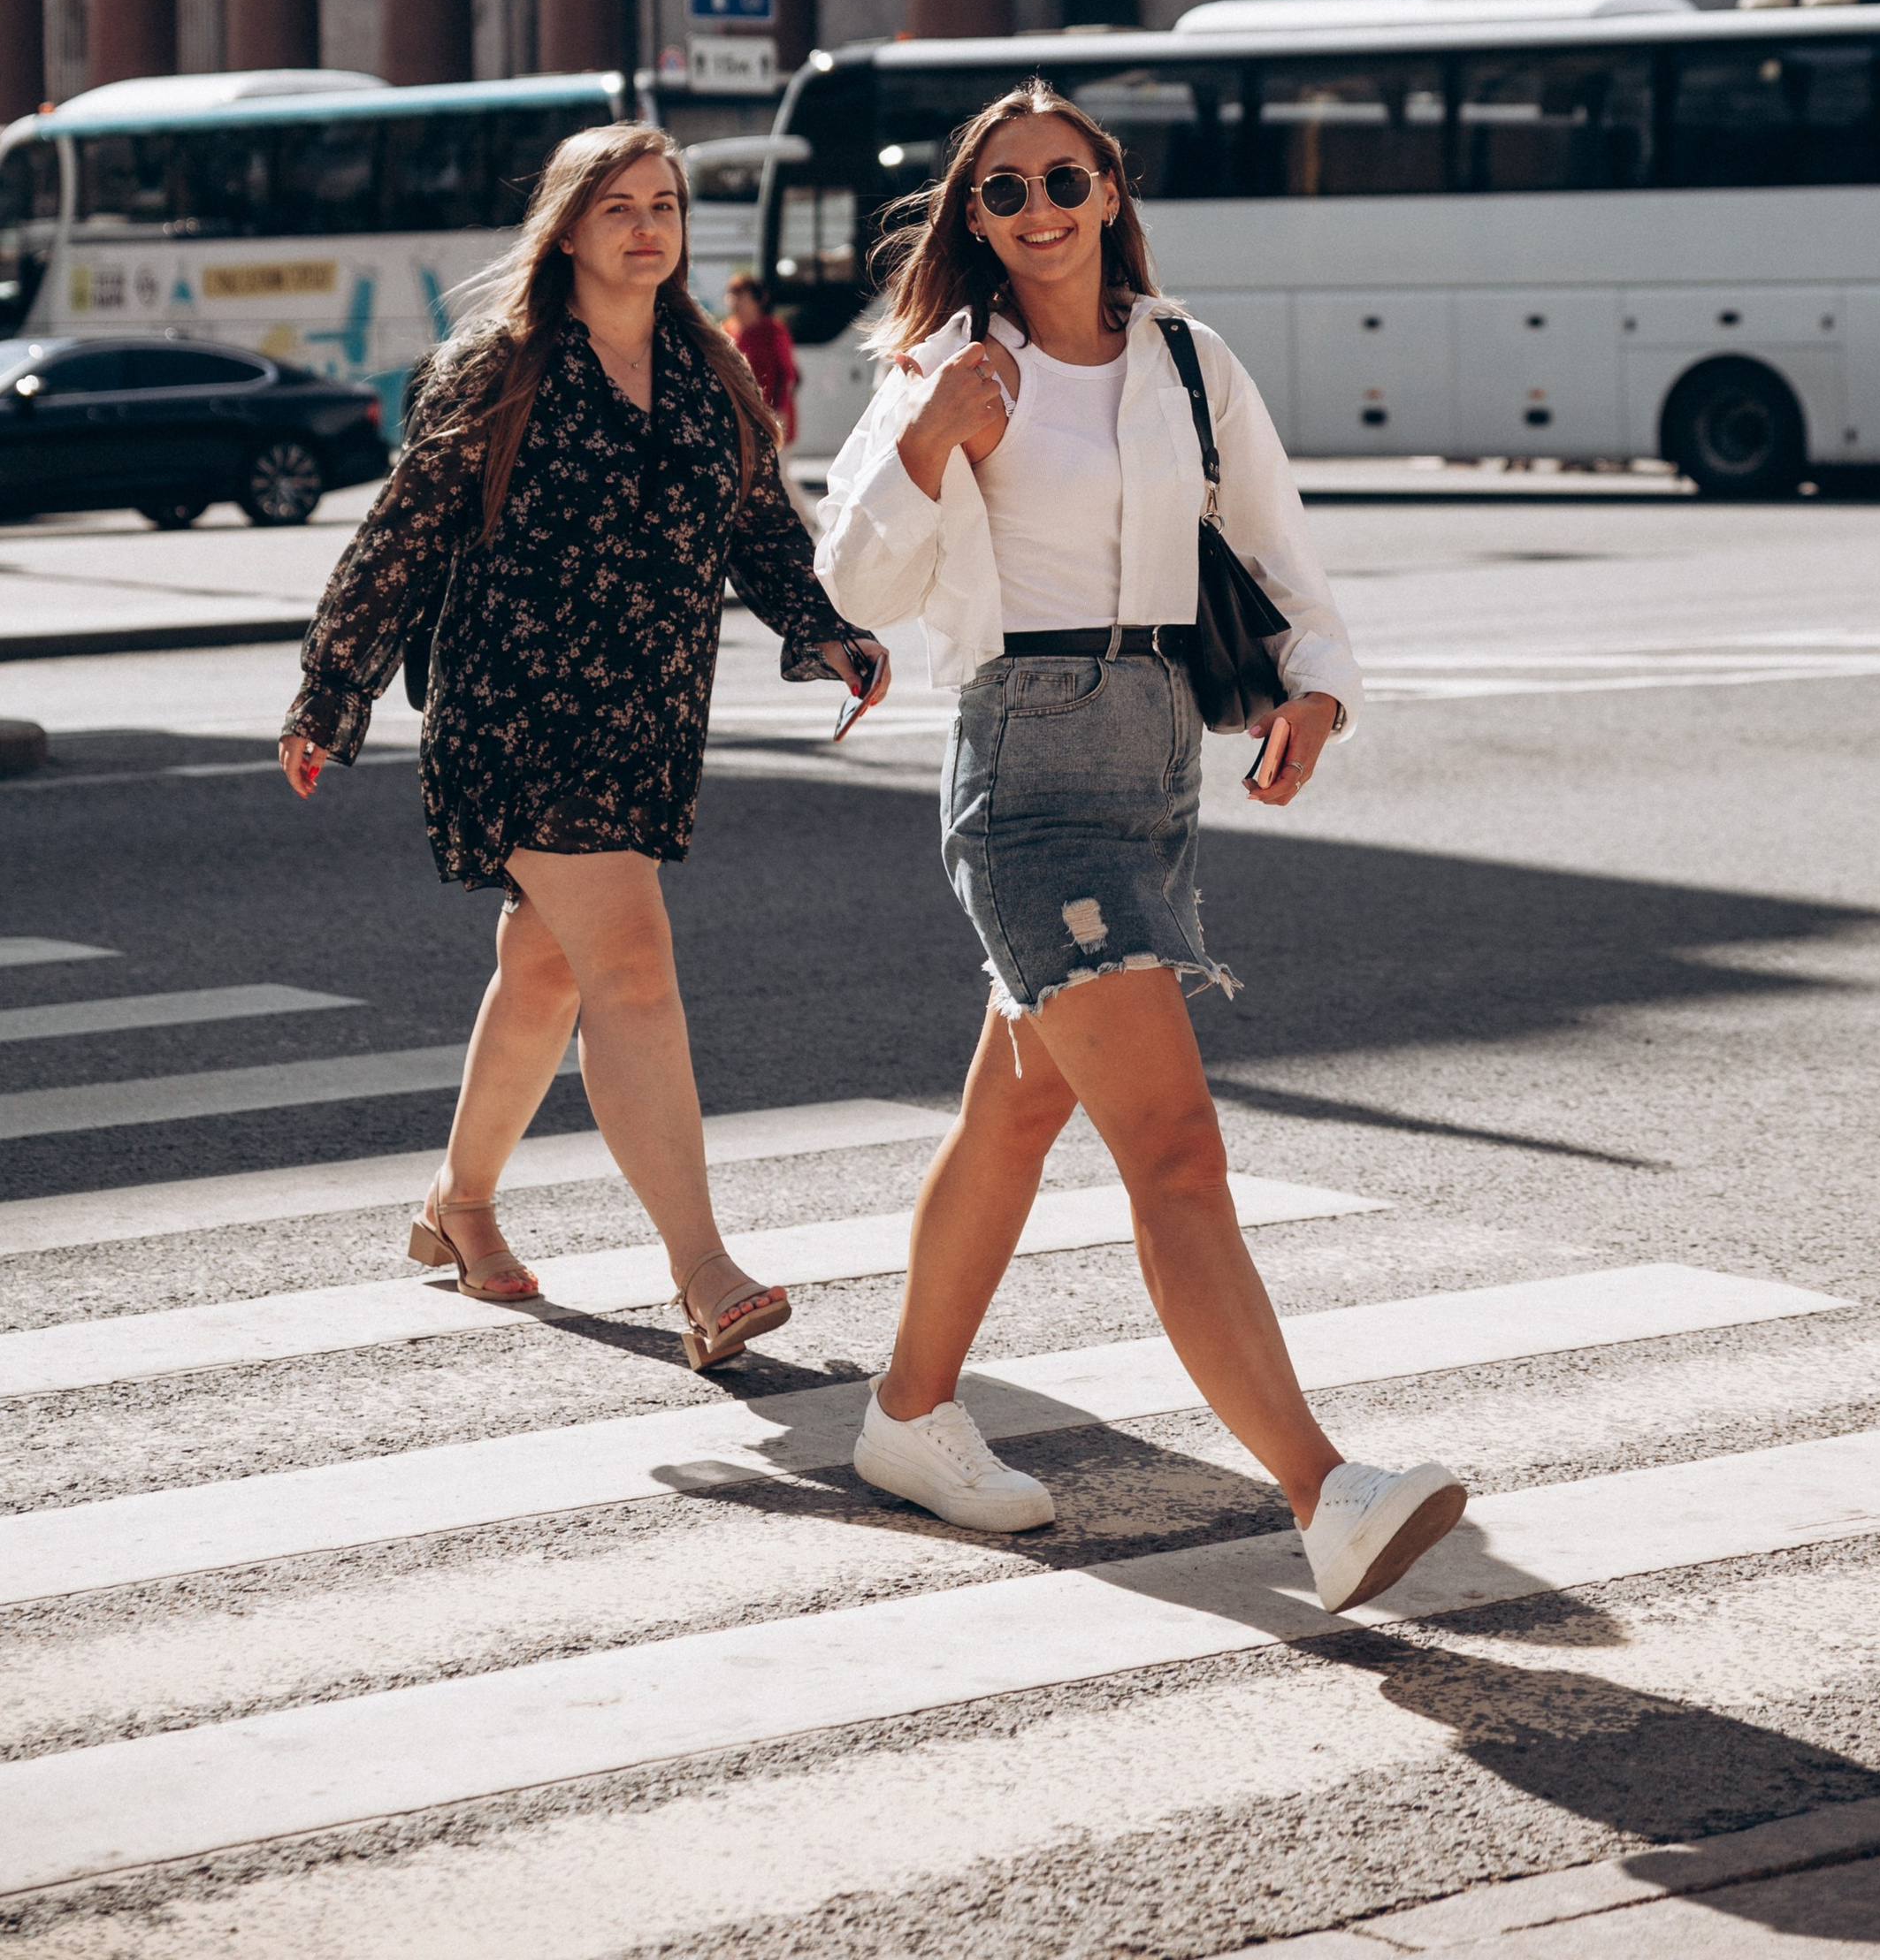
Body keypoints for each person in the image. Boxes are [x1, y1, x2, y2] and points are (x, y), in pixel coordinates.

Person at [816, 80, 1468, 1614]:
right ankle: (1324, 1494)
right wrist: (923, 447)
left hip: (1160, 754)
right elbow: (854, 580)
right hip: (1026, 767)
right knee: (1172, 1143)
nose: (1036, 209)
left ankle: (909, 1416)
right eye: (1000, 192)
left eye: (1061, 179)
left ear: (1109, 187)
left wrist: (1320, 687)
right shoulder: (945, 366)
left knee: (1017, 1118)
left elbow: (1275, 541)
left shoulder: (1186, 356)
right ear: (970, 217)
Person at [278, 123, 886, 1371]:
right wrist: (330, 689)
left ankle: (460, 1206)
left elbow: (762, 528)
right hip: (516, 711)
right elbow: (401, 532)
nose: (648, 226)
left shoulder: (710, 369)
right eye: (619, 205)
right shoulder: (496, 370)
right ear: (566, 227)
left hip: (645, 718)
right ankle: (705, 1273)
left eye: (664, 204)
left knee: (549, 972)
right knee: (632, 969)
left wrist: (828, 630)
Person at [724, 271, 799, 446]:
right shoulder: (726, 331)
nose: (735, 301)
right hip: (739, 418)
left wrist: (780, 411)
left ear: (757, 301)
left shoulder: (774, 330)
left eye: (741, 296)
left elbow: (787, 373)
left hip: (773, 416)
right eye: (731, 295)